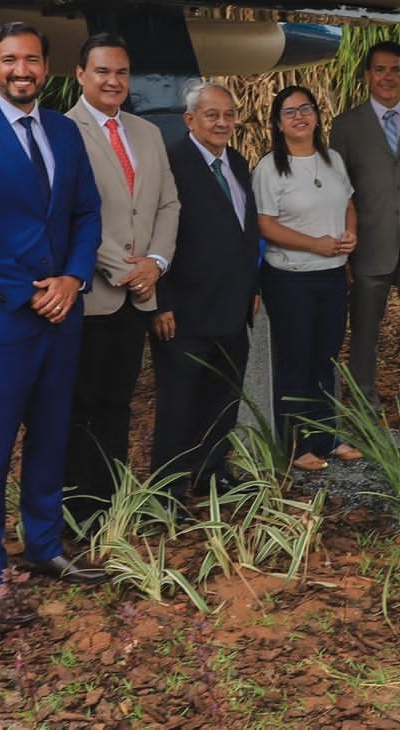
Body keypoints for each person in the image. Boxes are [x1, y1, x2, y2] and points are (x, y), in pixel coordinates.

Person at [0, 21, 109, 628]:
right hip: (2, 318)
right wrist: (29, 291)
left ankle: (43, 547)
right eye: (10, 60)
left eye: (32, 61)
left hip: (64, 313)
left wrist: (73, 279)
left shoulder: (63, 129)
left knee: (52, 434)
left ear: (46, 67)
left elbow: (88, 213)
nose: (22, 71)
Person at [63, 33, 180, 531]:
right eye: (103, 71)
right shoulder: (62, 132)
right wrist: (123, 268)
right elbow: (70, 213)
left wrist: (155, 261)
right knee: (80, 406)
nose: (114, 81)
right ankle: (77, 511)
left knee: (118, 403)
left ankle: (112, 504)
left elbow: (167, 205)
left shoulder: (147, 133)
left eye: (122, 72)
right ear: (80, 75)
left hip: (138, 296)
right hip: (93, 295)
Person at [150, 82, 261, 499]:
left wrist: (252, 286)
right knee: (179, 403)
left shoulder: (236, 161)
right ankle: (167, 489)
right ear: (190, 119)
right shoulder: (171, 163)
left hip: (233, 306)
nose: (222, 122)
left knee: (222, 398)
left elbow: (244, 232)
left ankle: (210, 472)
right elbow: (155, 236)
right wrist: (160, 303)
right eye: (212, 114)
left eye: (229, 114)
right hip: (184, 310)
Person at [329, 41, 400, 427]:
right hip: (367, 248)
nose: (387, 77)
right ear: (367, 76)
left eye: (395, 69)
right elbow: (337, 192)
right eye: (379, 70)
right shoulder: (346, 126)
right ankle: (365, 413)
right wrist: (343, 252)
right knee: (364, 338)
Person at [252, 85, 359, 472]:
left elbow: (348, 205)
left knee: (324, 359)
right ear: (278, 124)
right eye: (289, 112)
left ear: (317, 115)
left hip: (331, 278)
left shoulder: (332, 160)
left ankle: (326, 436)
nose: (300, 117)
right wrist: (314, 244)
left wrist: (352, 234)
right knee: (295, 361)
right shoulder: (269, 168)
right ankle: (296, 445)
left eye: (306, 109)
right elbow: (264, 225)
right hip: (289, 279)